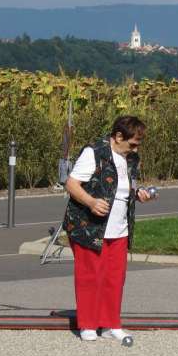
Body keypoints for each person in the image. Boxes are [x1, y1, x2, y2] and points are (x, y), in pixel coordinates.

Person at [63, 115, 153, 342]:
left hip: (119, 229)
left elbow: (122, 186)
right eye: (132, 143)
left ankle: (111, 323)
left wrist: (137, 193)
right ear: (118, 136)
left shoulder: (131, 159)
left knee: (115, 277)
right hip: (89, 228)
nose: (135, 148)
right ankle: (88, 325)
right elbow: (71, 184)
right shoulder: (94, 152)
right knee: (90, 277)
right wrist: (91, 202)